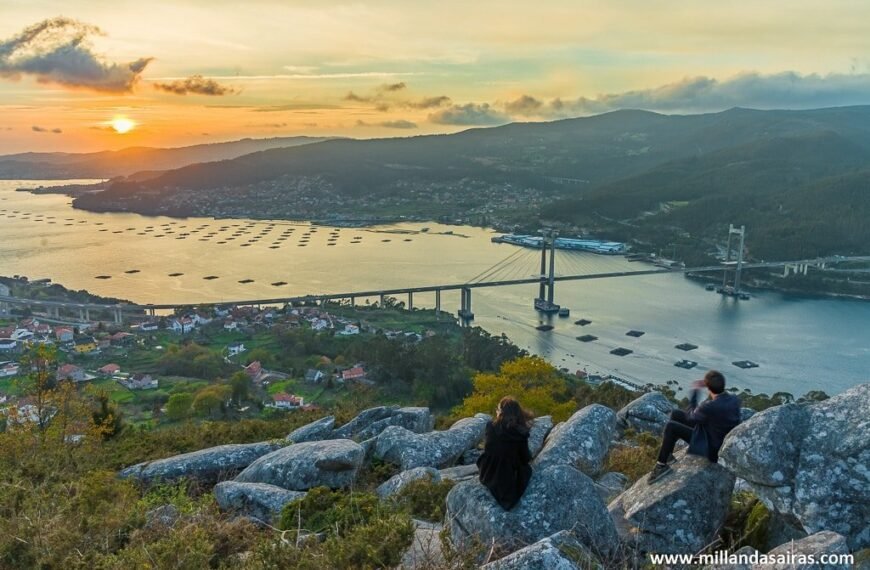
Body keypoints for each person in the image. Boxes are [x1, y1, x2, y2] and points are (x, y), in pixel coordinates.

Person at [648, 370, 741, 483]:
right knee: (676, 414)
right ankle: (668, 456)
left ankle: (661, 466)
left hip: (711, 448)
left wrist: (695, 392)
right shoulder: (734, 399)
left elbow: (690, 417)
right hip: (717, 437)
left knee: (671, 427)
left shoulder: (710, 406)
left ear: (708, 388)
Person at [476, 396, 533, 510]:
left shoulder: (490, 426)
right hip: (508, 478)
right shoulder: (521, 432)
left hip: (488, 472)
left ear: (500, 413)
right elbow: (525, 458)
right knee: (527, 470)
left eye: (497, 409)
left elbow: (488, 449)